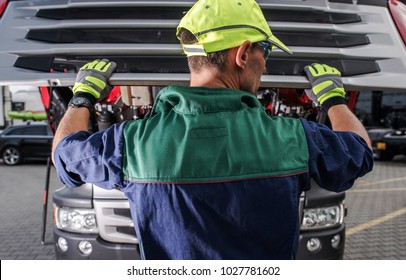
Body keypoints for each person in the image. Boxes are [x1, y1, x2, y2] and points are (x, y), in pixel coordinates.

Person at [52, 0, 373, 260]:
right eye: (267, 51)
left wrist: (82, 98)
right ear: (243, 53)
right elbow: (359, 152)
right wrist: (333, 100)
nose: (266, 63)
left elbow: (63, 157)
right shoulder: (292, 138)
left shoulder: (134, 143)